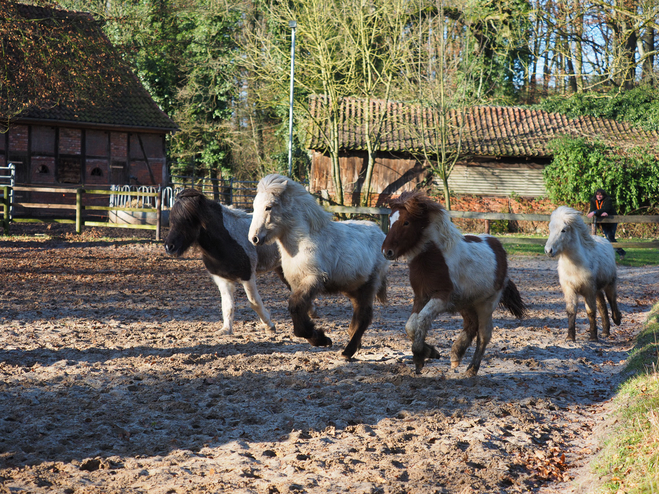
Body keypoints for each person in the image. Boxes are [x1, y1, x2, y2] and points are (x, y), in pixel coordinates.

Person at [587, 188, 626, 259]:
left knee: (610, 237)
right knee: (609, 237)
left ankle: (619, 253)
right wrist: (598, 212)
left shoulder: (608, 200)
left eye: (601, 195)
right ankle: (620, 252)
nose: (599, 196)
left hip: (612, 220)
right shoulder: (593, 200)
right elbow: (593, 210)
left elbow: (606, 209)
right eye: (597, 195)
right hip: (603, 221)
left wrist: (596, 212)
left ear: (603, 195)